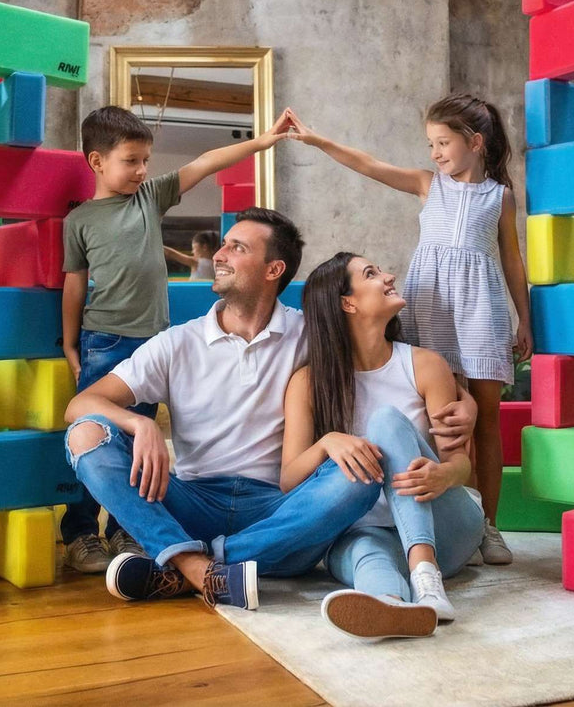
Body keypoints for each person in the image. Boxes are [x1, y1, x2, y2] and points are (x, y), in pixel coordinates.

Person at [63, 209, 478, 610]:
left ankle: (189, 566)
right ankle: (196, 568)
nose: (220, 256)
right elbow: (82, 403)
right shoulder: (176, 344)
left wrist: (468, 404)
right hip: (193, 501)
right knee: (86, 433)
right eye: (222, 246)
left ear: (273, 270)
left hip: (283, 510)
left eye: (236, 247)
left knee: (365, 467)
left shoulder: (310, 333)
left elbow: (389, 362)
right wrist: (140, 423)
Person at [284, 95, 532, 566]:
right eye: (430, 144)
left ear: (475, 143)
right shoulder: (427, 185)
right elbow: (368, 164)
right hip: (431, 302)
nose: (435, 153)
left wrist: (525, 317)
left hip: (481, 308)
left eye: (443, 143)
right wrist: (317, 140)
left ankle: (489, 526)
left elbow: (512, 261)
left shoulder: (499, 197)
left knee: (484, 419)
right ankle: (436, 516)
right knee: (445, 419)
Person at [59, 107, 292, 574]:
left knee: (140, 447)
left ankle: (127, 527)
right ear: (97, 162)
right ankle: (81, 531)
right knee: (99, 433)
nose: (142, 169)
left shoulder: (150, 197)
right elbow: (74, 283)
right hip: (104, 341)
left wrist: (261, 142)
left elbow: (206, 162)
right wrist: (69, 343)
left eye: (146, 159)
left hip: (152, 341)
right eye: (131, 160)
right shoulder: (80, 220)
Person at [282, 252, 483, 639]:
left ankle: (426, 578)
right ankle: (392, 607)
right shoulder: (307, 384)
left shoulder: (425, 365)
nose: (389, 275)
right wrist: (327, 442)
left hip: (447, 529)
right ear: (348, 303)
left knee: (386, 422)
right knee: (364, 553)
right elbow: (289, 479)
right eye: (371, 274)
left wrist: (442, 475)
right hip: (366, 529)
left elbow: (462, 465)